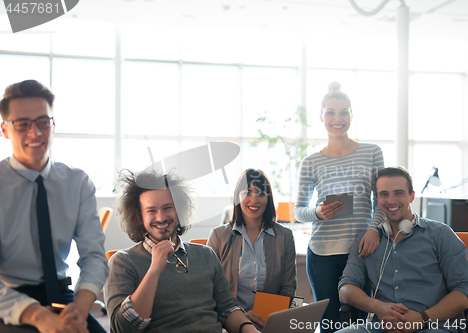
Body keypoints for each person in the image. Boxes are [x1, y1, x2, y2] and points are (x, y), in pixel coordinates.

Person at [0, 80, 109, 333]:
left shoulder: (77, 182)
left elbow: (94, 257)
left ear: (53, 124)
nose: (35, 133)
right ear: (5, 129)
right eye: (22, 124)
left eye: (42, 122)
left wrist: (79, 311)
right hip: (8, 298)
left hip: (62, 296)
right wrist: (38, 316)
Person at [104, 169, 260, 333]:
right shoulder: (122, 262)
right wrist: (154, 271)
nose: (161, 217)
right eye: (151, 210)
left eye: (167, 208)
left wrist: (248, 329)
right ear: (139, 217)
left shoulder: (206, 255)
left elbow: (227, 308)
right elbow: (123, 328)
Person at [338, 167, 468, 333]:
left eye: (398, 193)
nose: (391, 200)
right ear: (377, 198)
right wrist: (380, 308)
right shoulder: (366, 240)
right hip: (383, 327)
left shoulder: (441, 234)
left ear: (412, 196)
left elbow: (465, 292)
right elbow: (345, 290)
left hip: (432, 326)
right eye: (384, 194)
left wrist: (421, 318)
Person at [294, 81, 385, 332]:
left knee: (360, 325)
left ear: (352, 115)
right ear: (321, 116)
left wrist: (374, 229)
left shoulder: (371, 152)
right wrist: (317, 213)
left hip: (362, 251)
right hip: (322, 253)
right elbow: (298, 210)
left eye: (344, 112)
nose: (338, 118)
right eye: (331, 112)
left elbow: (380, 202)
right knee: (330, 325)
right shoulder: (310, 162)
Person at [207, 168, 297, 329]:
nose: (254, 200)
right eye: (247, 193)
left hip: (269, 323)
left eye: (261, 193)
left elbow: (288, 289)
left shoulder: (285, 237)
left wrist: (274, 319)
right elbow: (209, 290)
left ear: (268, 199)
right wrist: (239, 318)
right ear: (237, 197)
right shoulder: (218, 236)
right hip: (229, 324)